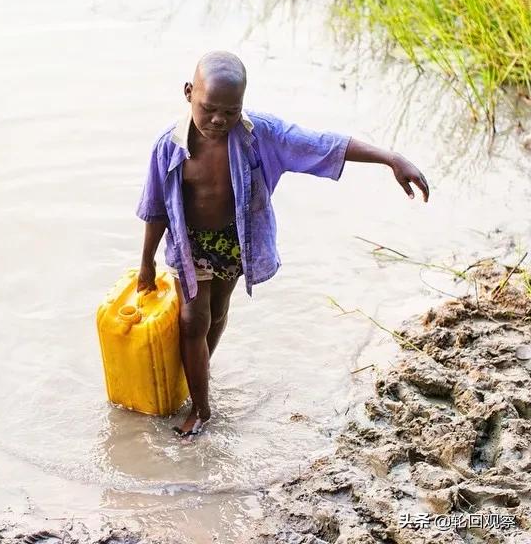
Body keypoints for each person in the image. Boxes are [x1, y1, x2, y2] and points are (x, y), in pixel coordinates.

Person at [135, 51, 429, 440]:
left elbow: (321, 144)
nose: (219, 120)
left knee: (217, 313)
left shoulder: (262, 135)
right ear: (189, 93)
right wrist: (146, 264)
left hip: (237, 239)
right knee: (193, 321)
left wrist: (390, 158)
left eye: (231, 110)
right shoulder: (169, 147)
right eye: (209, 109)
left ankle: (196, 376)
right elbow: (156, 208)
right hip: (191, 244)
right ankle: (201, 409)